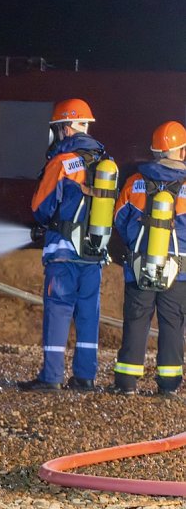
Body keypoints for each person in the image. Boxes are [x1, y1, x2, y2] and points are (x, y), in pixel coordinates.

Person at [19, 98, 114, 392]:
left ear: (67, 127)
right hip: (94, 253)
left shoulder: (61, 162)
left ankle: (51, 377)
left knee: (58, 311)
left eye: (59, 128)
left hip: (63, 254)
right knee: (88, 316)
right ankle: (85, 378)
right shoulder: (104, 163)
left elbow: (41, 208)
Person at [111, 121, 186, 396]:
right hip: (179, 271)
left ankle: (127, 383)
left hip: (139, 265)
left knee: (136, 322)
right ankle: (168, 386)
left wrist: (135, 242)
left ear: (155, 151)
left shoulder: (135, 181)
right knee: (172, 326)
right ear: (181, 150)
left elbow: (119, 218)